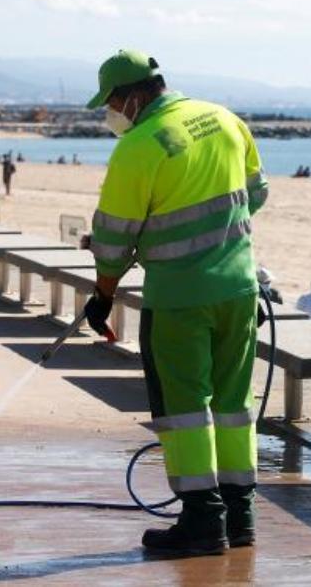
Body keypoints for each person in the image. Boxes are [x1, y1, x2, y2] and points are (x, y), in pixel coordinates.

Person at [82, 49, 267, 556]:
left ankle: (203, 522)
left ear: (136, 95)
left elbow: (113, 238)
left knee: (185, 408)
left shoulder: (139, 147)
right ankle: (240, 513)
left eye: (113, 102)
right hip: (240, 291)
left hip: (180, 302)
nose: (111, 112)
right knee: (232, 405)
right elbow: (255, 194)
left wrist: (102, 296)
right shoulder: (225, 120)